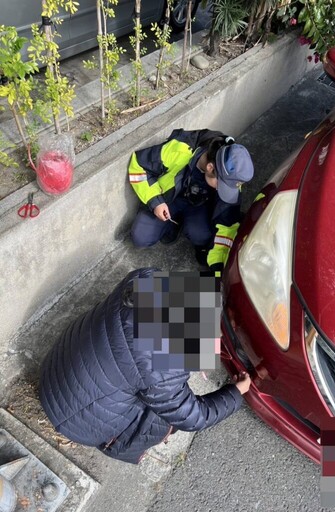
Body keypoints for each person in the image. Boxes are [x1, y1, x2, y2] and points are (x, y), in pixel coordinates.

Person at [39, 268, 251, 465]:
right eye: (214, 331)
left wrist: (197, 349)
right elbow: (193, 417)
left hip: (54, 369)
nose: (219, 337)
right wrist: (236, 392)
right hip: (72, 419)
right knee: (162, 420)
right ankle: (116, 445)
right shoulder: (162, 371)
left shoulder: (145, 278)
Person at [128, 128, 254, 270]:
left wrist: (217, 266)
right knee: (141, 237)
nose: (222, 190)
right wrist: (155, 201)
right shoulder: (180, 149)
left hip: (199, 205)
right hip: (168, 198)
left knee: (201, 236)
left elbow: (227, 223)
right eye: (221, 185)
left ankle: (183, 224)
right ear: (210, 167)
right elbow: (138, 166)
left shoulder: (231, 176)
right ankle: (174, 222)